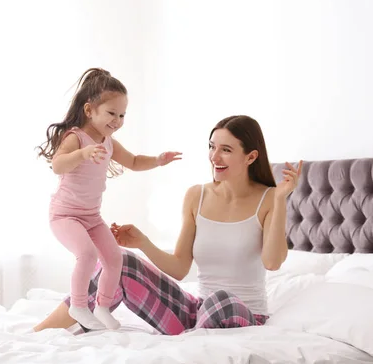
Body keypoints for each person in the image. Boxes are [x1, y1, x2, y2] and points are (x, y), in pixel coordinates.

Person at [34, 114, 302, 335]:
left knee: (220, 300)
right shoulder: (197, 196)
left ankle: (191, 343)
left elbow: (273, 262)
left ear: (251, 157)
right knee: (121, 261)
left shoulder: (269, 199)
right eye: (212, 147)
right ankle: (41, 332)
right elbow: (180, 268)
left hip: (244, 315)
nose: (214, 157)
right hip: (196, 313)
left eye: (226, 150)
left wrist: (280, 200)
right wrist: (143, 243)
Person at [36, 68, 182, 330]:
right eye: (111, 113)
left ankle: (103, 307)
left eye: (122, 115)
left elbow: (135, 162)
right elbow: (58, 165)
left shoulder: (109, 142)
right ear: (90, 110)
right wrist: (82, 154)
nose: (117, 120)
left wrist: (158, 161)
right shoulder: (75, 137)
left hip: (91, 217)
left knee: (114, 258)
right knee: (87, 254)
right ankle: (80, 307)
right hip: (65, 215)